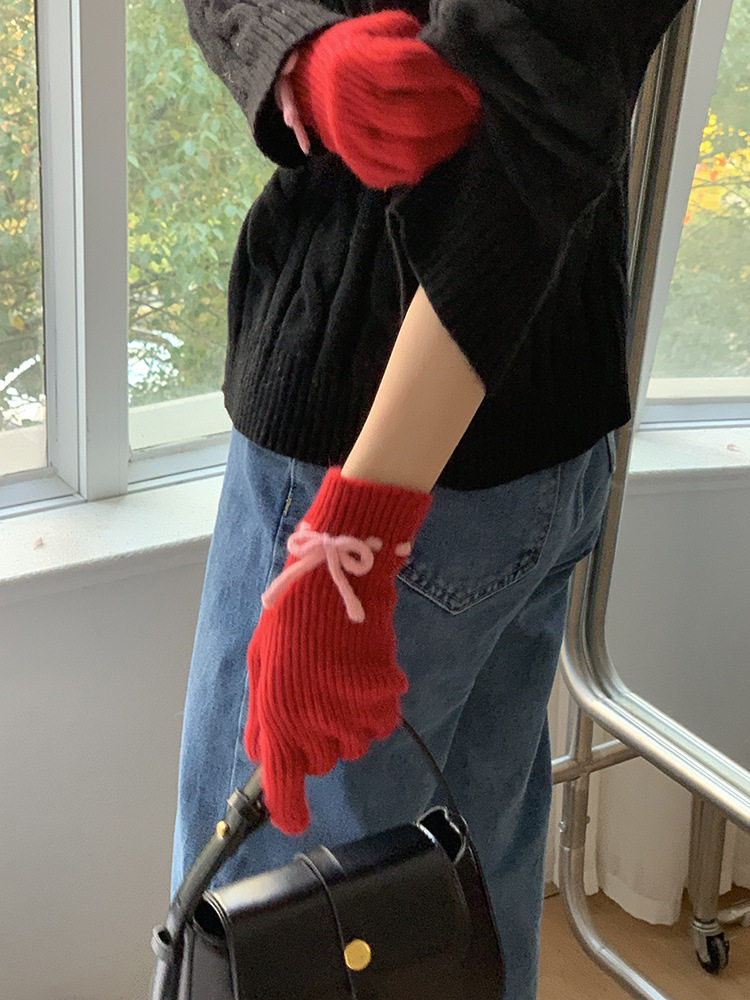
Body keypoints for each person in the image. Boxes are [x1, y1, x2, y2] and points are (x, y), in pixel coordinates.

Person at [172, 1, 690, 996]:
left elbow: (536, 109)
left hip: (376, 460)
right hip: (516, 435)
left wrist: (354, 539)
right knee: (458, 909)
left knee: (278, 934)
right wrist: (294, 51)